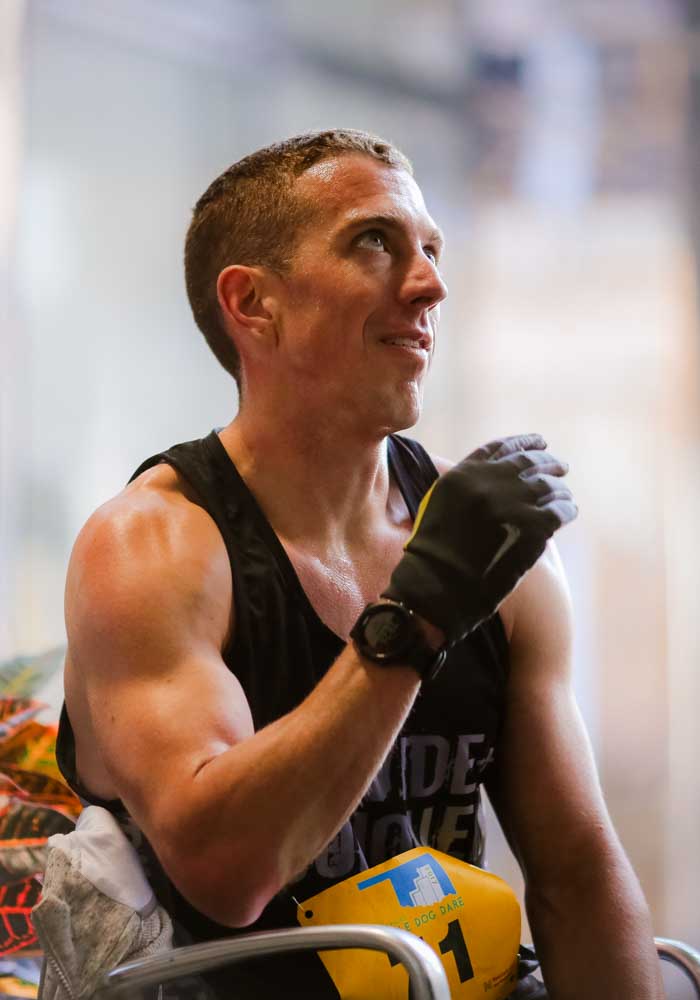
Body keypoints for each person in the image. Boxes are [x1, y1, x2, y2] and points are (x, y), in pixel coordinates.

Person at [57, 130, 664, 998]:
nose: (429, 284)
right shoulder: (153, 548)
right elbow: (226, 872)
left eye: (431, 250)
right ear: (252, 303)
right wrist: (416, 614)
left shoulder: (488, 548)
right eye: (374, 242)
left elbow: (575, 871)